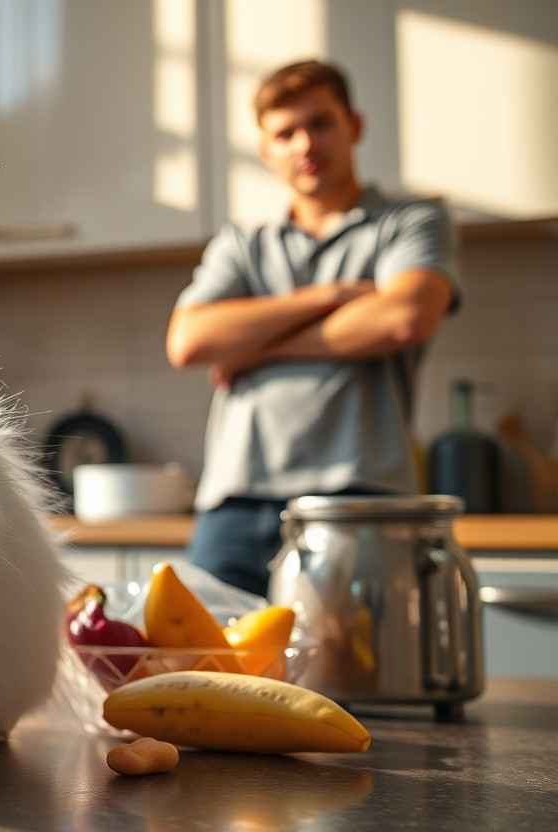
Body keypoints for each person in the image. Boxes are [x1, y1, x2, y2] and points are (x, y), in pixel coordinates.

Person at [165, 59, 459, 597]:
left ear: (356, 126)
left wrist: (258, 347)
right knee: (207, 675)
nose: (305, 144)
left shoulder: (411, 222)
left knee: (347, 679)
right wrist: (332, 297)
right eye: (285, 132)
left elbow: (403, 318)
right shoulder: (241, 244)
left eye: (320, 123)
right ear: (266, 151)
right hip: (233, 505)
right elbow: (189, 341)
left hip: (360, 499)